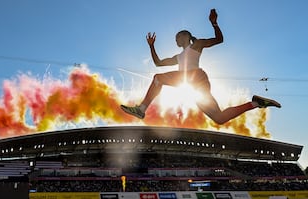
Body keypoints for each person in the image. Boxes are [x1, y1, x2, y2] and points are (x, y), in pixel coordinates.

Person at [120, 9, 281, 124]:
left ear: (185, 36)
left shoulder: (196, 45)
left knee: (158, 78)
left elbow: (219, 40)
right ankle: (256, 103)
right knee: (219, 118)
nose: (175, 40)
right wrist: (151, 46)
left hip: (195, 77)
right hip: (195, 86)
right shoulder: (178, 57)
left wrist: (214, 23)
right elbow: (158, 63)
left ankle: (141, 109)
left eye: (177, 37)